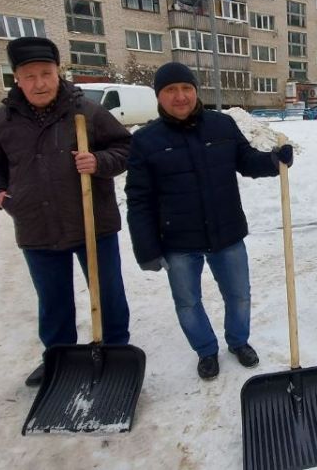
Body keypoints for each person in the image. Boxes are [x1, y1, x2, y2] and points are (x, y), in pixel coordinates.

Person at [0, 37, 132, 386]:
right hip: (36, 225)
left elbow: (125, 147)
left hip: (93, 222)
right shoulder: (1, 121)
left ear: (58, 73)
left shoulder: (86, 112)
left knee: (108, 294)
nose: (39, 83)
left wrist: (99, 161)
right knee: (53, 300)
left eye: (46, 73)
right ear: (16, 78)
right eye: (30, 76)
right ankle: (58, 358)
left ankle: (116, 352)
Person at [125, 62, 294, 380]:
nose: (180, 96)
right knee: (188, 302)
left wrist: (273, 160)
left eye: (186, 88)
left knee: (239, 294)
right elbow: (138, 199)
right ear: (159, 96)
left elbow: (246, 160)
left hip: (226, 230)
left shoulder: (222, 125)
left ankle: (239, 342)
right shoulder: (146, 140)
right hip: (178, 239)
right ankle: (205, 350)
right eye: (170, 90)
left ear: (195, 91)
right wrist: (146, 248)